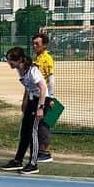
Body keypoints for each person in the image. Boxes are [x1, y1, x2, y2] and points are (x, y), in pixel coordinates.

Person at [1, 46, 47, 175]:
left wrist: (41, 108)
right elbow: (28, 86)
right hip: (32, 100)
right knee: (24, 131)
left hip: (41, 100)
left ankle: (33, 164)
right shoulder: (21, 70)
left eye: (11, 60)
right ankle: (18, 160)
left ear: (19, 59)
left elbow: (43, 88)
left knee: (33, 132)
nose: (9, 63)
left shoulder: (33, 71)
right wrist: (25, 101)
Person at [32, 33, 55, 163]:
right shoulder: (37, 58)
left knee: (43, 124)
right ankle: (40, 150)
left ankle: (45, 152)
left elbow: (51, 79)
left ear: (44, 45)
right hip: (37, 95)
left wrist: (50, 97)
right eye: (33, 43)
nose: (34, 46)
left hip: (44, 96)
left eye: (37, 44)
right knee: (38, 124)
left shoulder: (47, 58)